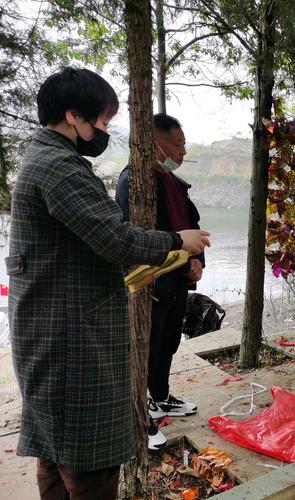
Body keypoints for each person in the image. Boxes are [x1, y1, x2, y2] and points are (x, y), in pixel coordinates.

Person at [6, 67, 210, 500]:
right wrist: (177, 241)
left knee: (56, 457)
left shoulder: (44, 160)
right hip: (70, 342)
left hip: (54, 332)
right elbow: (114, 236)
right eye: (101, 121)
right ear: (73, 115)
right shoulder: (59, 166)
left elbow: (83, 246)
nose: (104, 131)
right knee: (88, 464)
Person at [116, 113, 203, 449]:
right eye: (177, 144)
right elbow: (132, 240)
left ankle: (161, 396)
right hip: (149, 283)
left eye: (184, 144)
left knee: (168, 342)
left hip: (177, 280)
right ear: (155, 143)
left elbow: (190, 224)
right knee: (145, 348)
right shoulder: (133, 183)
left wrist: (196, 260)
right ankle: (141, 418)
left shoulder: (171, 181)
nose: (183, 152)